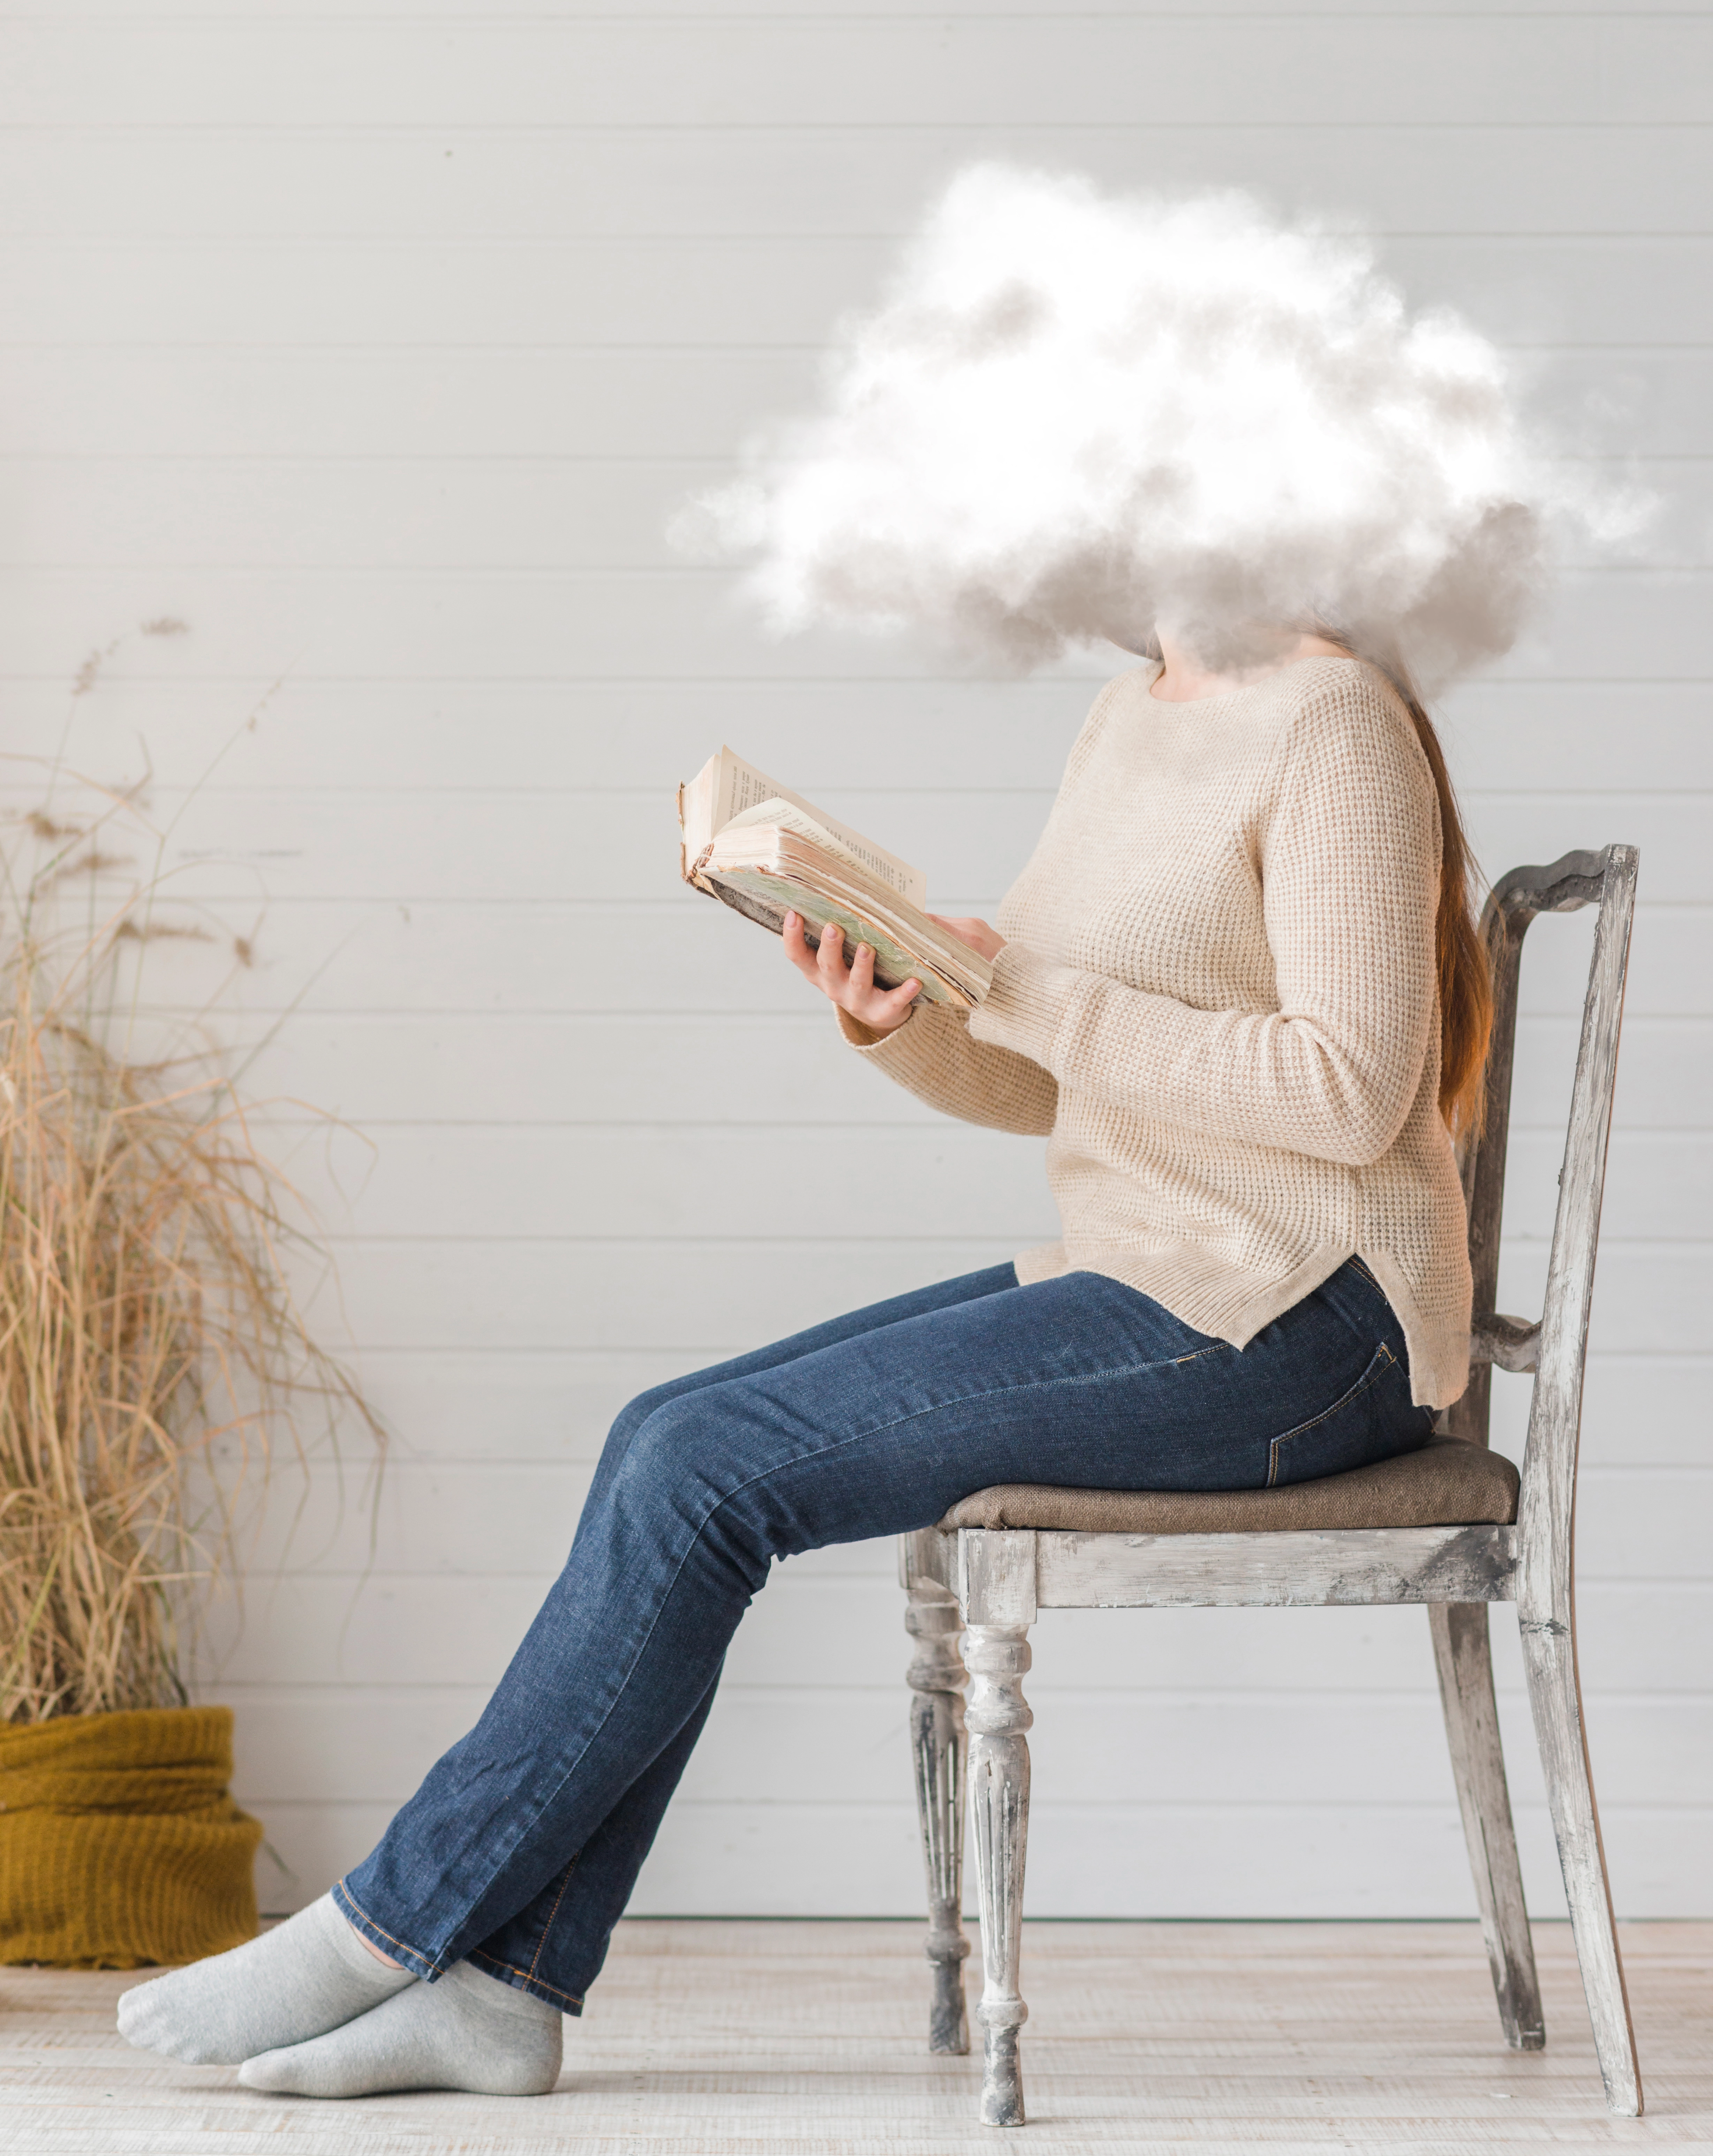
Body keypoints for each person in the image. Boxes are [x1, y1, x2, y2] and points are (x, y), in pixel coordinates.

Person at [117, 624, 1488, 2099]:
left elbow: (1350, 1093)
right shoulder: (1129, 714)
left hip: (1306, 1324)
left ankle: (389, 1922)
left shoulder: (1330, 716)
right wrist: (893, 1011)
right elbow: (1038, 1067)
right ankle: (502, 1993)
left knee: (707, 1470)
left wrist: (1022, 988)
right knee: (670, 1434)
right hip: (1162, 1275)